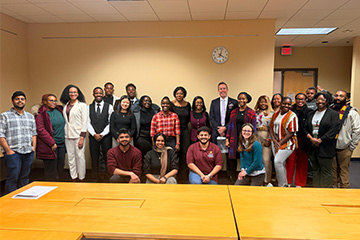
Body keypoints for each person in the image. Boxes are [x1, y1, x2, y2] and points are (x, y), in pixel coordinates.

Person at [0, 91, 37, 194]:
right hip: (13, 152)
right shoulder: (5, 116)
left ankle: (23, 199)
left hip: (28, 152)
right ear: (12, 101)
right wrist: (8, 151)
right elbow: (1, 134)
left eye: (22, 99)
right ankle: (10, 202)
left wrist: (33, 148)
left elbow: (34, 133)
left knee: (25, 177)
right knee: (13, 178)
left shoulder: (30, 116)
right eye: (17, 99)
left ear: (25, 101)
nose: (20, 101)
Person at [304, 92, 340, 188]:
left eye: (322, 100)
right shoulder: (311, 113)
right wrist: (311, 138)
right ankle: (316, 191)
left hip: (326, 147)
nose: (320, 102)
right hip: (312, 147)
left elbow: (334, 130)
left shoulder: (333, 114)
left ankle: (325, 192)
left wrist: (320, 140)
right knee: (315, 170)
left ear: (327, 101)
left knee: (326, 171)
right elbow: (305, 127)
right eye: (318, 100)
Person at [226, 92, 256, 184]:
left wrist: (251, 141)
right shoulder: (234, 112)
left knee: (246, 158)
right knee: (232, 159)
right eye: (239, 98)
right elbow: (230, 126)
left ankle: (245, 178)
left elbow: (253, 128)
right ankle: (233, 179)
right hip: (234, 139)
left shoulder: (251, 112)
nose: (241, 100)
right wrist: (227, 139)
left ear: (247, 100)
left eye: (243, 99)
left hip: (246, 139)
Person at [332, 90, 360, 188]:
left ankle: (344, 191)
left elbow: (357, 130)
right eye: (336, 96)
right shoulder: (331, 110)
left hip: (345, 147)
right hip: (331, 146)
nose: (338, 98)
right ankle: (333, 191)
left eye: (341, 96)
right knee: (333, 171)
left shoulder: (352, 112)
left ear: (347, 99)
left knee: (343, 171)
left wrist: (352, 146)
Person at [60, 84, 88, 182]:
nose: (73, 94)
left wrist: (82, 137)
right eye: (71, 92)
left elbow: (85, 121)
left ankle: (81, 178)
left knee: (80, 157)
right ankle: (74, 177)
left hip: (78, 135)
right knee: (71, 158)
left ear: (78, 93)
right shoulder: (65, 105)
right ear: (68, 94)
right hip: (67, 135)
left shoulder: (82, 105)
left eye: (75, 92)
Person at [269, 97, 298, 187]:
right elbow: (270, 127)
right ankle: (285, 184)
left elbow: (291, 132)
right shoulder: (276, 114)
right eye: (284, 103)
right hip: (275, 142)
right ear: (281, 104)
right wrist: (273, 140)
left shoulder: (292, 116)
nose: (286, 105)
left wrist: (280, 143)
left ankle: (281, 185)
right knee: (281, 163)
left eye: (289, 104)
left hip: (288, 143)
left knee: (278, 162)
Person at [35, 94, 66, 182]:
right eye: (51, 100)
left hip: (61, 144)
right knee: (51, 171)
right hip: (50, 146)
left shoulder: (59, 110)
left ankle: (60, 189)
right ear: (44, 102)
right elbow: (40, 130)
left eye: (55, 100)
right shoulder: (41, 114)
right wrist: (52, 143)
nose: (54, 102)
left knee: (60, 167)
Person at [88, 87, 113, 182]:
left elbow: (111, 122)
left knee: (107, 158)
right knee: (94, 158)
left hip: (106, 136)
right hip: (93, 136)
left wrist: (102, 134)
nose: (98, 95)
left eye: (100, 93)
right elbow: (87, 122)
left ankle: (107, 178)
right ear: (93, 94)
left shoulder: (109, 106)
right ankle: (94, 178)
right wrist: (94, 134)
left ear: (102, 94)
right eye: (96, 93)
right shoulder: (88, 107)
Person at [286, 93, 310, 187]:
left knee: (302, 162)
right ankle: (288, 182)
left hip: (303, 139)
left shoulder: (309, 111)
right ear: (295, 100)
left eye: (303, 99)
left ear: (305, 100)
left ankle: (300, 183)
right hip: (291, 138)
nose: (300, 101)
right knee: (290, 160)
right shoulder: (290, 110)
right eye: (298, 99)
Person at [171, 86, 191, 183]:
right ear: (175, 94)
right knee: (175, 153)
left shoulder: (188, 104)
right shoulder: (171, 104)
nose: (179, 95)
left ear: (184, 95)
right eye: (177, 93)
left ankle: (183, 177)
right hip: (174, 131)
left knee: (184, 153)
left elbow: (189, 118)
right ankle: (174, 175)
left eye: (181, 93)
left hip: (185, 130)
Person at [254, 95, 273, 185]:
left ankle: (266, 180)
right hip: (256, 136)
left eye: (265, 101)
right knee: (258, 159)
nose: (263, 103)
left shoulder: (272, 114)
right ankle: (259, 180)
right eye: (261, 101)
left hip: (266, 136)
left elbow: (273, 128)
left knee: (266, 160)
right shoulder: (255, 113)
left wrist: (269, 139)